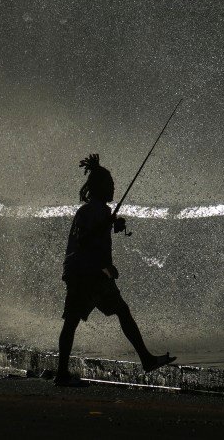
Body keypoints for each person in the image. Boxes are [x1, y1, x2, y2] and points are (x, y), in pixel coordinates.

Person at [54, 153, 176, 387]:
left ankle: (146, 359)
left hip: (91, 273)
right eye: (110, 184)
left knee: (118, 311)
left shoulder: (99, 211)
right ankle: (61, 374)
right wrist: (107, 226)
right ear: (100, 187)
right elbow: (84, 241)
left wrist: (113, 224)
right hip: (85, 275)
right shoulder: (91, 212)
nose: (113, 188)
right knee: (74, 321)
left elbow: (96, 237)